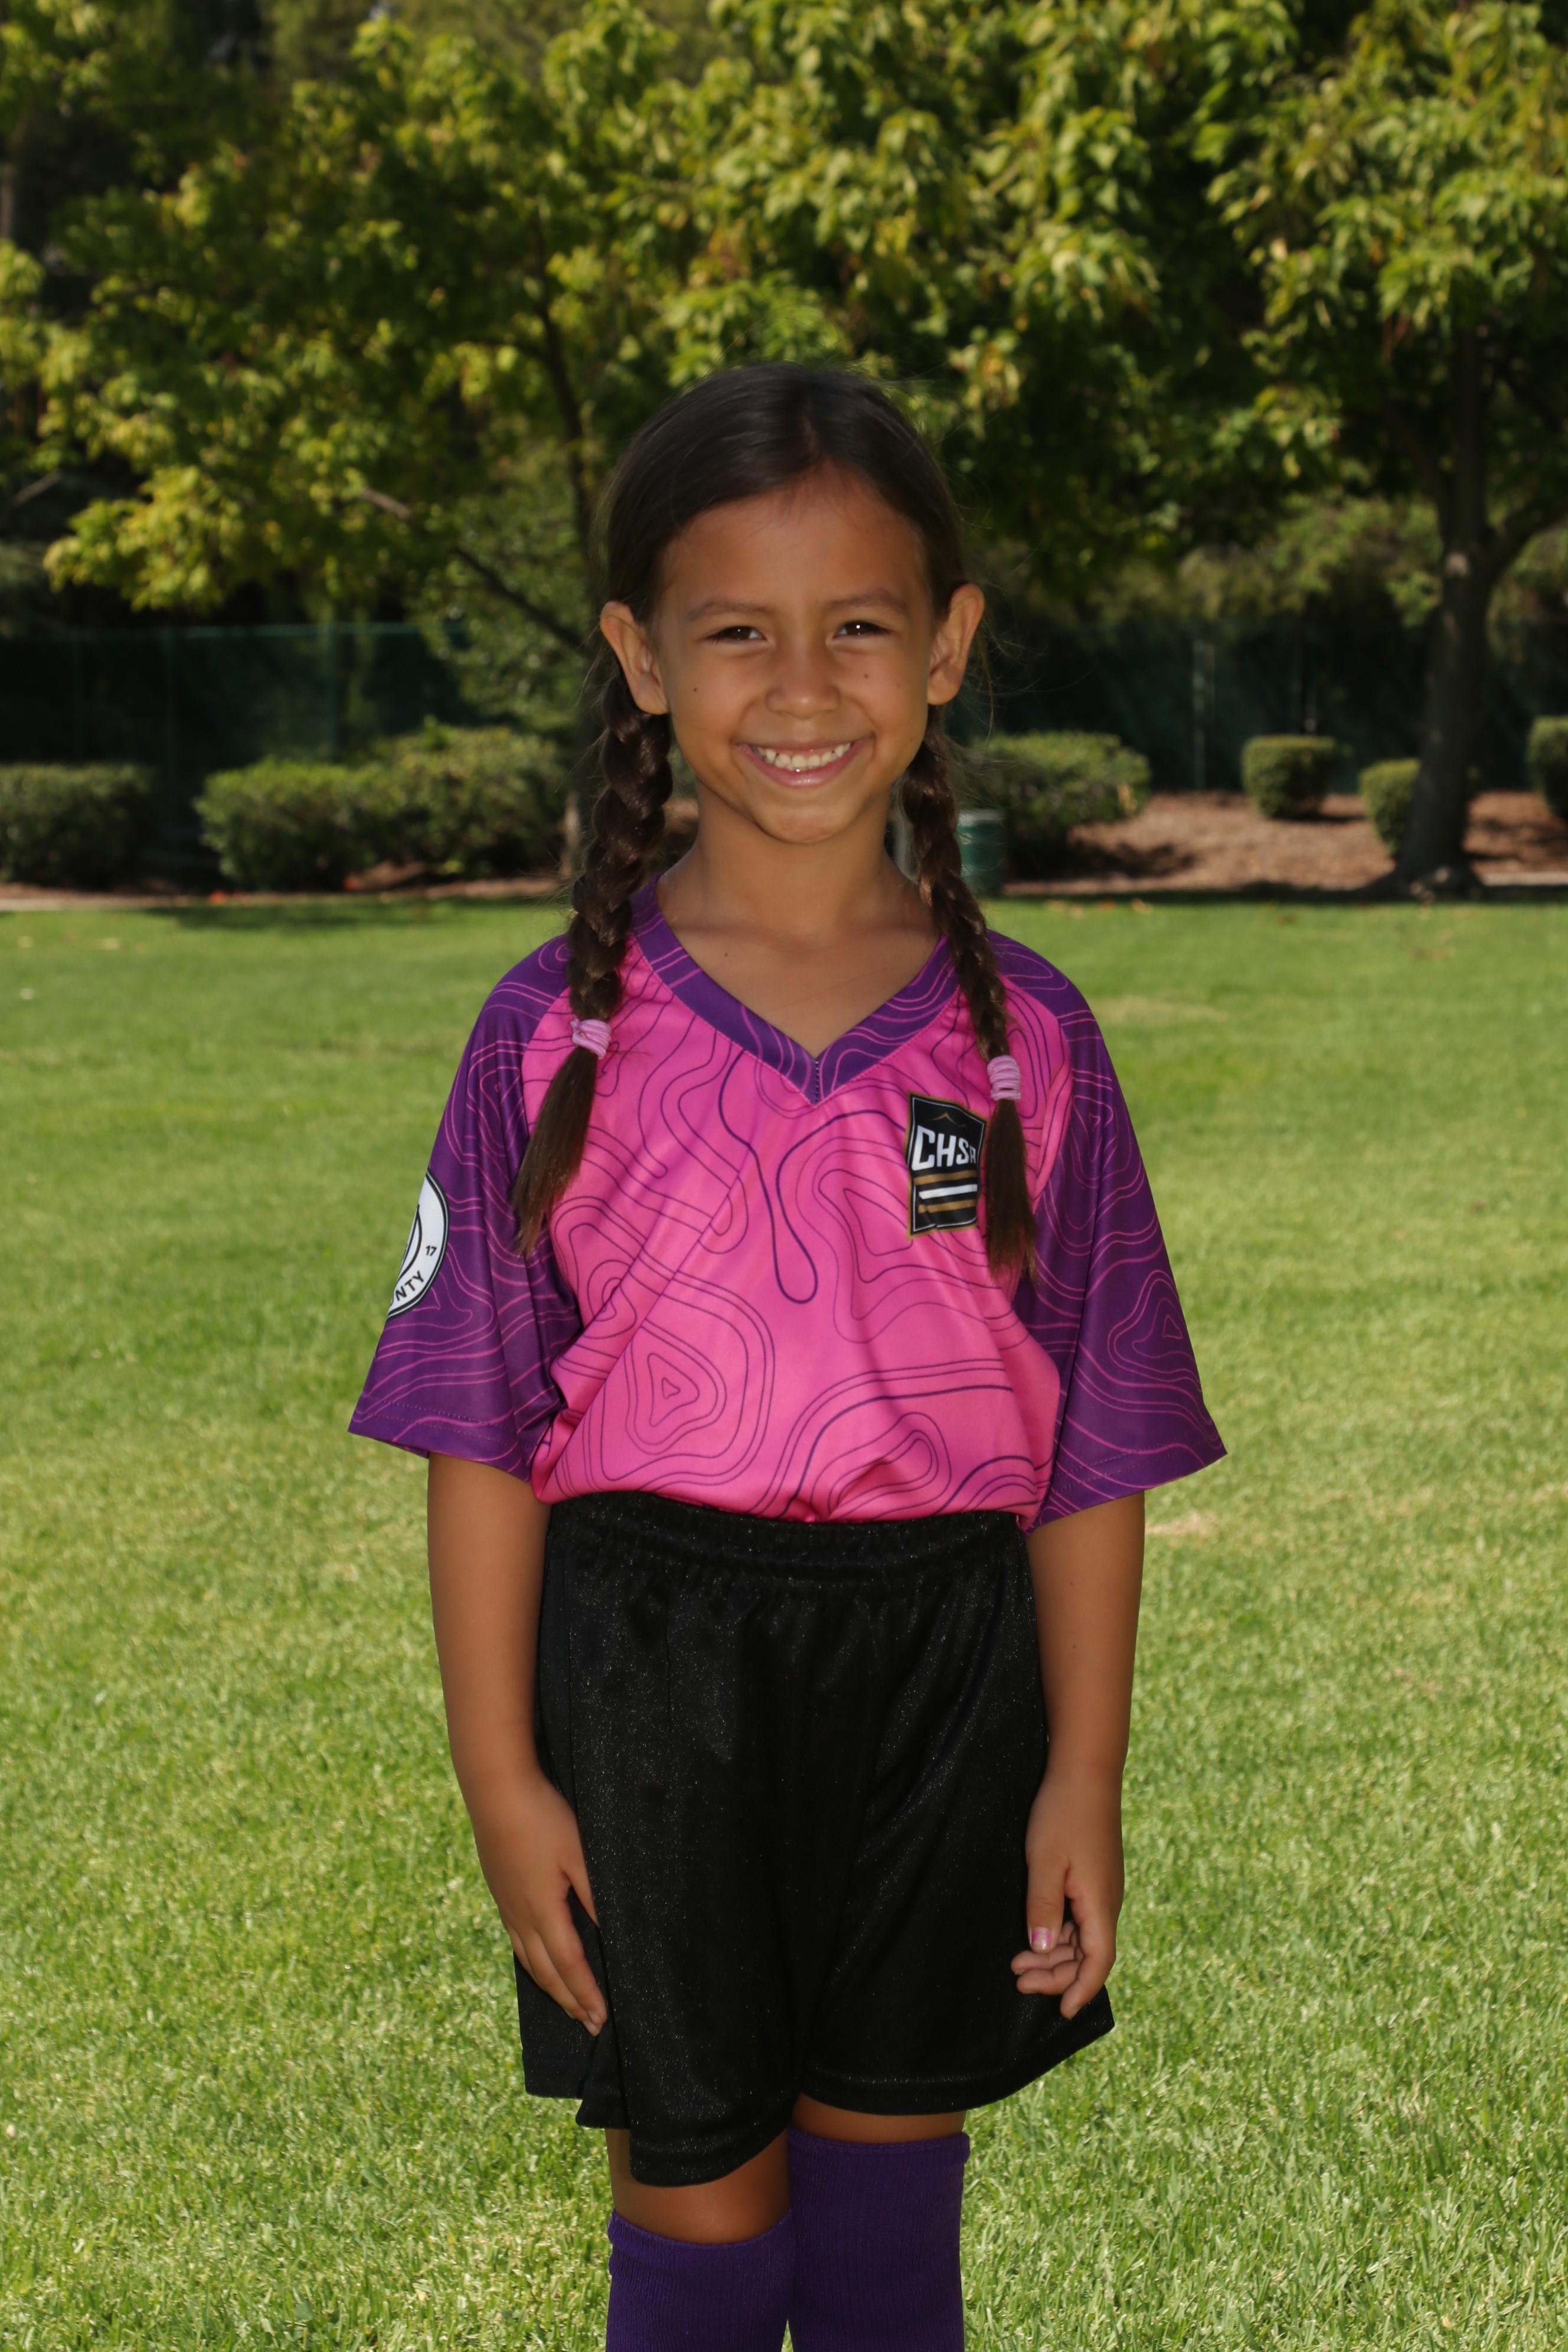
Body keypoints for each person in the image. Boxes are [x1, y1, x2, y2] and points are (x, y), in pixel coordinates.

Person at [351, 364, 1223, 2351]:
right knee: (702, 2212)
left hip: (944, 1670)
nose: (804, 684)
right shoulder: (552, 1033)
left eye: (860, 626)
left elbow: (1094, 1442)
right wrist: (502, 1774)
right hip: (650, 1676)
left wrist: (1085, 1770)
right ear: (639, 657)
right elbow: (478, 1428)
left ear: (950, 647)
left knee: (892, 2217)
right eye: (738, 630)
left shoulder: (1027, 1043)